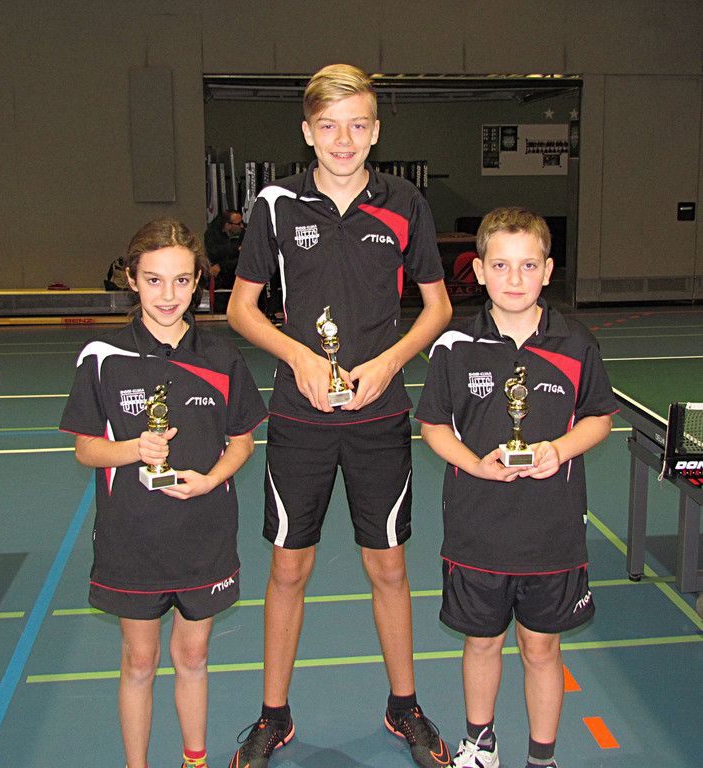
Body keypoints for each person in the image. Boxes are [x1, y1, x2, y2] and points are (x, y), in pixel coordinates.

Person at [227, 64, 453, 768]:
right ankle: (273, 715)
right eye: (329, 126)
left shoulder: (405, 203)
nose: (344, 139)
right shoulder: (275, 204)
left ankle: (405, 705)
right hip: (300, 419)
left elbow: (438, 307)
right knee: (288, 567)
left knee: (388, 565)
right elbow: (241, 308)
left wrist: (390, 362)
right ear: (307, 131)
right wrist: (297, 356)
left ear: (376, 131)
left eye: (357, 125)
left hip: (379, 418)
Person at [60, 218, 267, 768]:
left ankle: (194, 760)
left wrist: (212, 478)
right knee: (139, 661)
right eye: (154, 280)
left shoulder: (221, 357)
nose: (168, 295)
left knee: (193, 656)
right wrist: (134, 449)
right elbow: (85, 449)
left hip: (204, 533)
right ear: (132, 279)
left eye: (181, 280)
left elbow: (243, 442)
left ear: (198, 281)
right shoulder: (102, 356)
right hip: (133, 538)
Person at [415, 207, 617, 768]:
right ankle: (480, 745)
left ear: (548, 271)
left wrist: (560, 449)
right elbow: (433, 426)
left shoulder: (575, 343)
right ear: (478, 270)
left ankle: (541, 758)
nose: (514, 278)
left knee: (541, 647)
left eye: (528, 265)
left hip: (552, 533)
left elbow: (599, 417)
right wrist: (475, 466)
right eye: (500, 265)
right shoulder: (454, 344)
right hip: (476, 530)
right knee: (480, 642)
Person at [205, 209, 244, 292]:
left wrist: (221, 266)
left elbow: (244, 259)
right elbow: (213, 252)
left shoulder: (244, 235)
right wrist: (236, 249)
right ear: (228, 225)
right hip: (218, 280)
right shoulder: (212, 234)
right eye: (238, 224)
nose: (241, 226)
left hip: (237, 279)